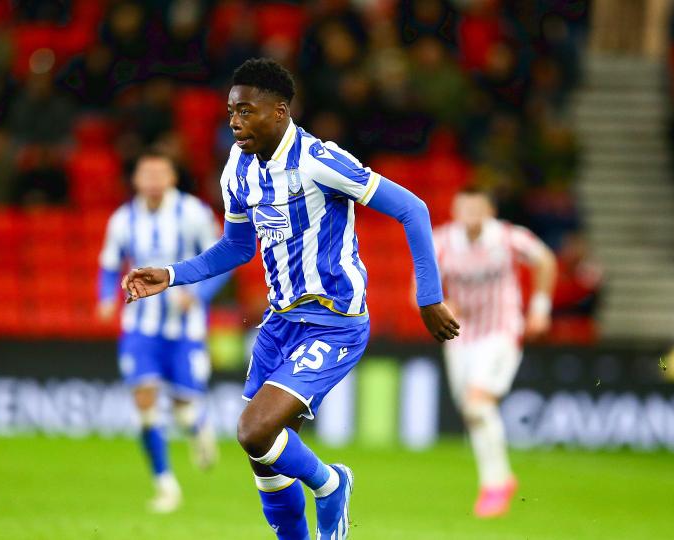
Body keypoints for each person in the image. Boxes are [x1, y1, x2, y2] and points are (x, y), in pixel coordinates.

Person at [122, 58, 459, 539]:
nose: (234, 122)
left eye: (246, 111)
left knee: (252, 430)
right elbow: (236, 247)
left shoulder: (319, 160)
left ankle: (331, 484)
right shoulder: (237, 168)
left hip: (334, 321)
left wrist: (429, 298)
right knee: (264, 459)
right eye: (231, 112)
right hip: (279, 322)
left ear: (279, 111)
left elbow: (413, 209)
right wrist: (173, 274)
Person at [97, 148, 228, 513]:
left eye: (160, 174)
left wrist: (198, 294)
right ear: (136, 180)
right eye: (147, 175)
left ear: (172, 178)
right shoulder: (123, 219)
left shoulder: (193, 213)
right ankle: (165, 484)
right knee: (144, 401)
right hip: (140, 328)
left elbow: (224, 260)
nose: (153, 181)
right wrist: (106, 297)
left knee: (184, 406)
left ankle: (198, 425)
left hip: (185, 329)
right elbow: (109, 265)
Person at [432, 186, 556, 518]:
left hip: (501, 330)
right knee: (473, 411)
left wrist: (540, 308)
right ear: (455, 211)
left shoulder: (509, 237)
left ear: (490, 211)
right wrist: (442, 304)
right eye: (464, 209)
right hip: (460, 335)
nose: (470, 216)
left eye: (477, 209)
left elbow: (545, 260)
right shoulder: (441, 242)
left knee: (477, 402)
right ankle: (499, 481)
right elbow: (420, 284)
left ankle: (496, 483)